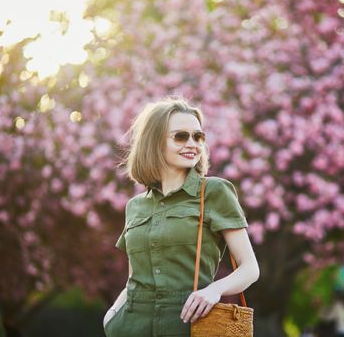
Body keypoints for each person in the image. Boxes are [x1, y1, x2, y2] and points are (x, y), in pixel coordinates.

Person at [103, 97, 260, 336]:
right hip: (131, 327)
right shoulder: (135, 206)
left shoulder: (215, 191)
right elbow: (135, 276)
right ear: (154, 142)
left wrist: (214, 290)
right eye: (180, 136)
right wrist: (113, 314)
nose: (192, 144)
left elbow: (250, 268)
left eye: (198, 137)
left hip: (188, 326)